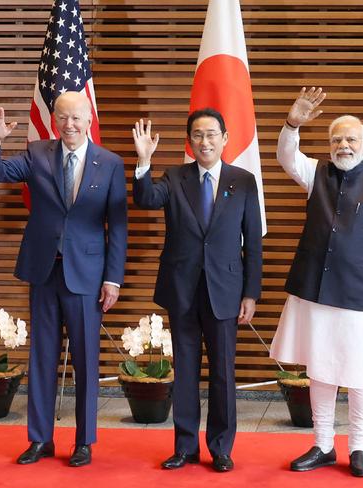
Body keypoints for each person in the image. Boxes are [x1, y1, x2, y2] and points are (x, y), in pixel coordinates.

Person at [0, 91, 127, 467]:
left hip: (88, 276)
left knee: (85, 361)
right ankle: (40, 438)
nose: (69, 125)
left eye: (76, 118)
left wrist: (113, 279)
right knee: (42, 357)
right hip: (44, 271)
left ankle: (84, 441)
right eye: (62, 117)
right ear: (54, 120)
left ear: (89, 118)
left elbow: (119, 228)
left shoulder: (109, 163)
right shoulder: (37, 153)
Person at [269, 87, 363, 477]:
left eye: (350, 139)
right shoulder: (317, 173)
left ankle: (359, 448)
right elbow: (285, 156)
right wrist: (293, 121)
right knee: (322, 371)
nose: (342, 145)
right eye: (335, 139)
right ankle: (323, 444)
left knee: (361, 375)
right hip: (316, 294)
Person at [131, 110, 262, 472]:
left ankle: (221, 447)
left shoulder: (244, 181)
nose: (204, 142)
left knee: (223, 373)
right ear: (190, 141)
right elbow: (146, 199)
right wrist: (144, 161)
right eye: (197, 135)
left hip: (226, 291)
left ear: (225, 137)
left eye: (211, 135)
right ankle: (185, 447)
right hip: (183, 289)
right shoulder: (175, 177)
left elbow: (253, 242)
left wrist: (250, 293)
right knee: (185, 370)